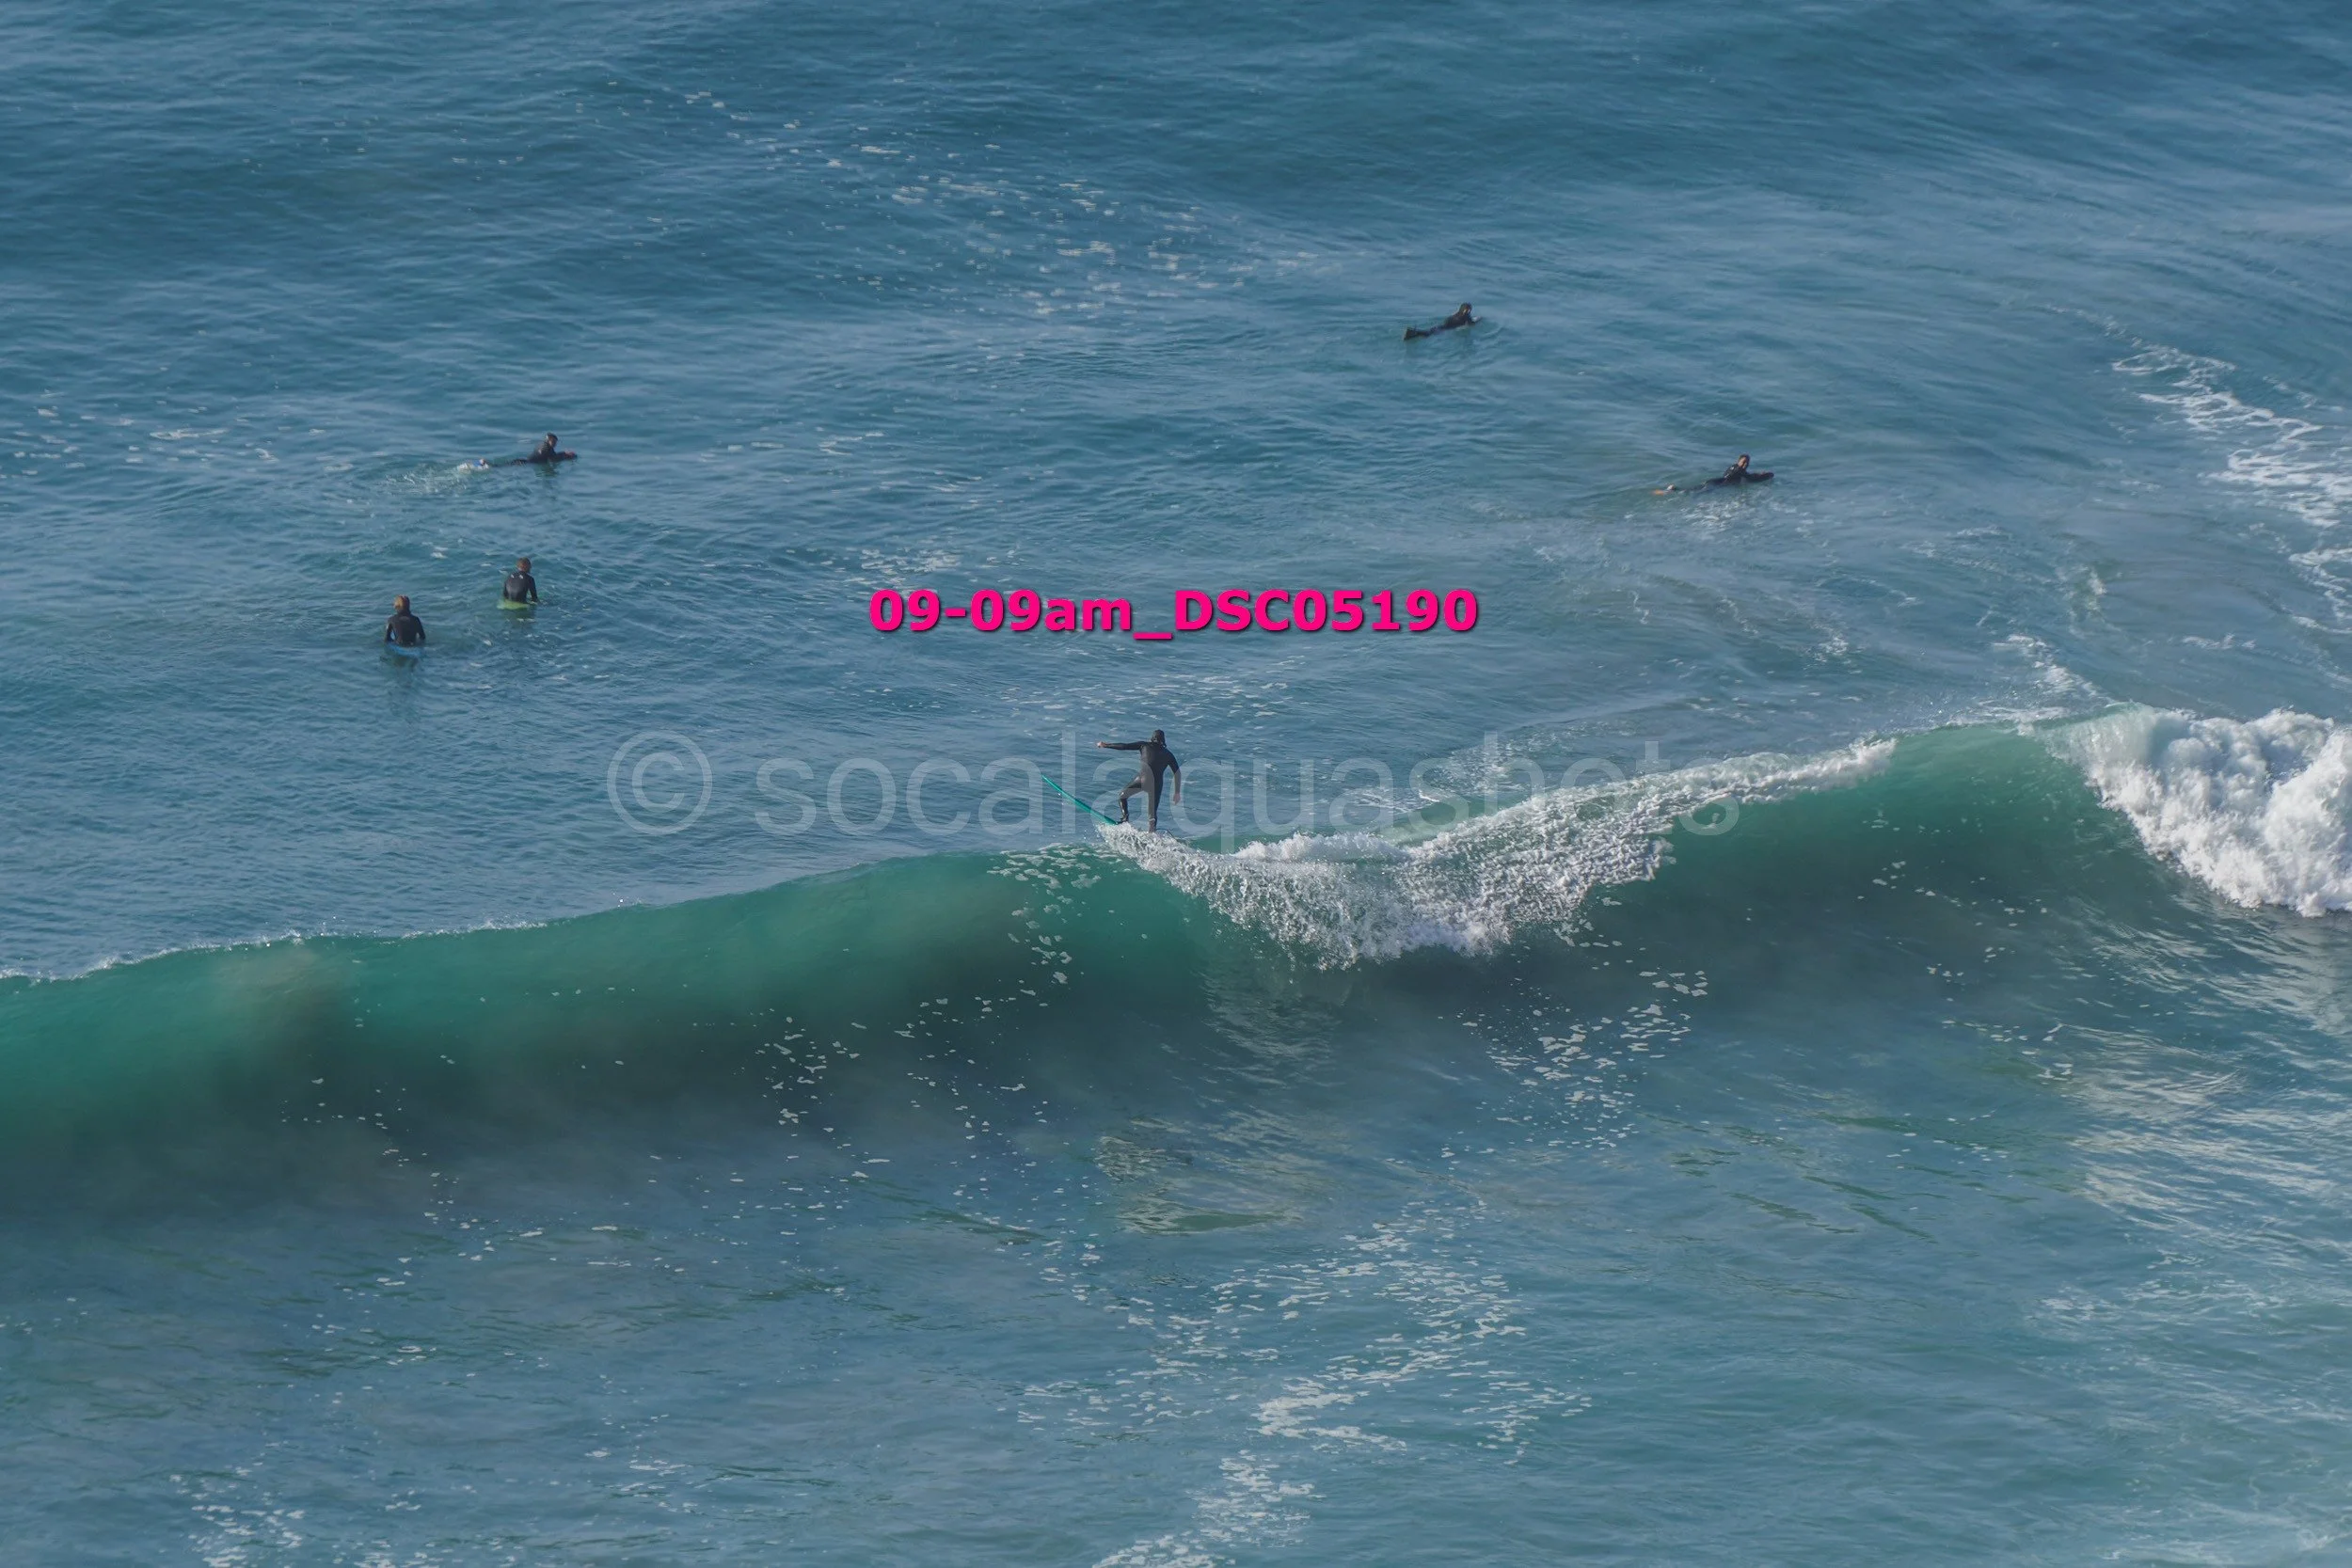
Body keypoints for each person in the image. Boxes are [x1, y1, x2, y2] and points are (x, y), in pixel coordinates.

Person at [1098, 730, 1182, 832]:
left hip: (1142, 780)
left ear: (1152, 738)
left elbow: (1124, 746)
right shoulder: (1169, 754)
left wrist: (1106, 745)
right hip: (1156, 785)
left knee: (1122, 796)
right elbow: (1177, 773)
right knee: (1152, 814)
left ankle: (1125, 819)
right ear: (1163, 740)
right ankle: (1152, 835)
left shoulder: (1144, 745)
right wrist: (1177, 792)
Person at [1405, 303, 1477, 341]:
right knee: (1429, 334)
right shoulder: (1466, 316)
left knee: (1429, 332)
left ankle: (1413, 333)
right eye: (1469, 309)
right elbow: (1471, 324)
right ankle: (1414, 333)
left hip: (1440, 326)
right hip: (1445, 330)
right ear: (1467, 310)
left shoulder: (1454, 314)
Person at [1705, 453, 1772, 486]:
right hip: (1717, 484)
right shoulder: (1739, 470)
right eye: (1743, 462)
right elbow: (1750, 477)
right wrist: (1761, 475)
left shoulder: (1734, 467)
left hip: (1715, 482)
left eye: (1747, 462)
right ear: (1738, 462)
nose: (1745, 464)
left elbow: (1747, 475)